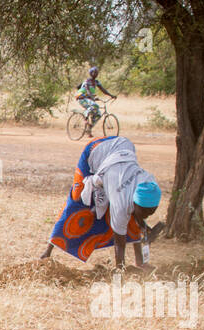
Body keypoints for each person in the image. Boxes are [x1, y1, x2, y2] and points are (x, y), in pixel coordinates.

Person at [40, 135, 165, 268]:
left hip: (123, 148)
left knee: (131, 217)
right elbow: (120, 242)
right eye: (144, 212)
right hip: (96, 149)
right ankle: (47, 252)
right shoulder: (121, 201)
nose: (147, 216)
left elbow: (136, 207)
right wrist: (119, 271)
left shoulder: (149, 183)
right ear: (135, 202)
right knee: (77, 201)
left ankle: (140, 262)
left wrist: (142, 224)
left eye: (151, 212)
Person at [76, 66, 114, 137]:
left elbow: (103, 90)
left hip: (89, 99)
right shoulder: (87, 81)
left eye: (96, 72)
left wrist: (111, 95)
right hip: (81, 98)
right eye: (94, 72)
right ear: (91, 73)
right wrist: (91, 97)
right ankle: (85, 116)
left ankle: (89, 128)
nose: (95, 74)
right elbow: (87, 90)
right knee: (95, 106)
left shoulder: (96, 82)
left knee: (98, 114)